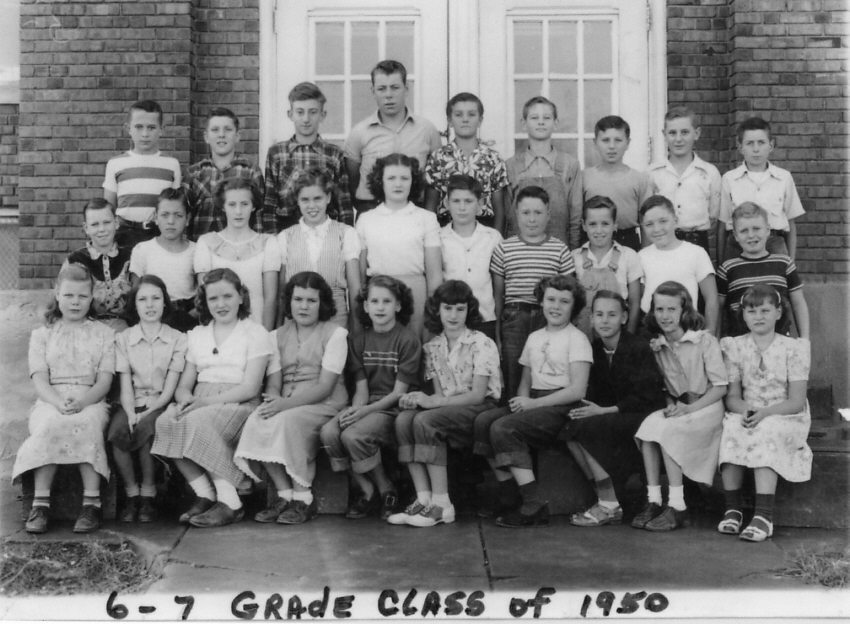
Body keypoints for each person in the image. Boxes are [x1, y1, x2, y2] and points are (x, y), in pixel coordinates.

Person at [151, 269, 273, 528]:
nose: (221, 304)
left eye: (227, 296)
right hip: (200, 400)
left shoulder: (255, 332)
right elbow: (185, 385)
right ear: (204, 302)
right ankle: (205, 494)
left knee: (199, 422)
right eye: (213, 298)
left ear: (241, 296)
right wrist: (185, 399)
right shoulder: (198, 334)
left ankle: (231, 503)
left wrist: (204, 403)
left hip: (239, 402)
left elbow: (250, 387)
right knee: (166, 422)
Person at [475, 275, 592, 528]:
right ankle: (510, 493)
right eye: (551, 299)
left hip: (563, 406)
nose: (556, 306)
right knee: (483, 422)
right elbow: (526, 380)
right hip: (535, 402)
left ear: (574, 306)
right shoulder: (535, 337)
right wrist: (523, 402)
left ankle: (534, 503)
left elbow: (577, 390)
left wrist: (533, 406)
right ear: (541, 302)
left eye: (564, 301)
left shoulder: (577, 338)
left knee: (504, 428)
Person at [235, 272, 349, 525]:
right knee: (257, 420)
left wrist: (283, 406)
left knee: (288, 422)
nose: (304, 306)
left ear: (322, 303)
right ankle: (284, 494)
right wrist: (274, 402)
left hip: (324, 403)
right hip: (286, 401)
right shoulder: (276, 335)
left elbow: (325, 387)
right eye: (298, 299)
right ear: (289, 302)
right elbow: (274, 382)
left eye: (311, 300)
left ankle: (304, 498)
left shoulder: (336, 334)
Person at [389, 280, 502, 527]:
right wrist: (419, 400)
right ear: (437, 310)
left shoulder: (481, 343)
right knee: (404, 420)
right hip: (450, 409)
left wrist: (434, 402)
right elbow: (440, 395)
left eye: (460, 309)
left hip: (480, 407)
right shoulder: (433, 347)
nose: (453, 315)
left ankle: (442, 505)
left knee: (425, 421)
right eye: (447, 308)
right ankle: (423, 499)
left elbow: (478, 395)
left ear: (469, 311)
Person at [15, 264, 115, 535]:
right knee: (49, 423)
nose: (75, 302)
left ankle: (91, 504)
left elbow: (104, 382)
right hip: (51, 399)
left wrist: (83, 403)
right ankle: (40, 504)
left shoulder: (104, 334)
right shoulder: (42, 335)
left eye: (82, 296)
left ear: (91, 297)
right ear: (57, 294)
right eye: (69, 295)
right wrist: (58, 403)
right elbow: (40, 380)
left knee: (88, 423)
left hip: (91, 399)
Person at [319, 276, 421, 521]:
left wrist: (362, 413)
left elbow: (398, 393)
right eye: (374, 301)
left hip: (394, 407)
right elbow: (362, 389)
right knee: (329, 432)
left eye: (387, 301)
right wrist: (355, 411)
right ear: (365, 306)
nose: (380, 307)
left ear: (398, 306)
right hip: (367, 403)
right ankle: (367, 488)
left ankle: (386, 489)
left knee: (353, 435)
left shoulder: (407, 340)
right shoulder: (359, 340)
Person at [716, 285, 812, 542]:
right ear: (743, 315)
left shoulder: (794, 348)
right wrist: (746, 410)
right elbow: (732, 397)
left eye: (765, 310)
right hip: (749, 410)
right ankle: (733, 509)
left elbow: (796, 401)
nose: (758, 316)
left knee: (768, 429)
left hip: (784, 414)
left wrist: (765, 413)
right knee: (732, 426)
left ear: (778, 313)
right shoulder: (734, 346)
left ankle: (764, 516)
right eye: (752, 311)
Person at [563, 290, 665, 526]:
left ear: (624, 318)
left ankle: (608, 504)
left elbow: (646, 397)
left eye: (612, 314)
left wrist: (604, 411)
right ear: (592, 318)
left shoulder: (638, 347)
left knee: (587, 427)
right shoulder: (594, 349)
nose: (605, 320)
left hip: (642, 416)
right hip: (612, 416)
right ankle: (608, 496)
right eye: (599, 314)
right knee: (569, 429)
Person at [633, 281, 727, 532]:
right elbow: (667, 389)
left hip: (707, 407)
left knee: (668, 432)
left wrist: (689, 409)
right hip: (680, 407)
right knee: (648, 428)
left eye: (671, 309)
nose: (665, 316)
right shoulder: (658, 345)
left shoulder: (704, 341)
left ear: (684, 311)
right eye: (659, 309)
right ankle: (654, 500)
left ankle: (677, 505)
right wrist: (671, 406)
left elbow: (720, 388)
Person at [108, 275, 187, 524]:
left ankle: (148, 495)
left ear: (165, 302)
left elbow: (169, 389)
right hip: (132, 401)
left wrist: (146, 413)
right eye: (143, 299)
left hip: (161, 403)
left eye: (156, 298)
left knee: (146, 431)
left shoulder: (178, 339)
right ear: (135, 304)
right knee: (117, 431)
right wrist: (131, 412)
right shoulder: (123, 339)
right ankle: (132, 493)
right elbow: (125, 385)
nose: (150, 305)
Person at [490, 185, 575, 399]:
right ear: (516, 214)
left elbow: (569, 296)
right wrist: (498, 335)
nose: (532, 219)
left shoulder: (560, 249)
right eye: (526, 212)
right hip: (514, 318)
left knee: (544, 370)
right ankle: (511, 414)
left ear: (548, 215)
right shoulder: (504, 249)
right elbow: (498, 297)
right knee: (513, 373)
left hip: (548, 319)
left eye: (538, 212)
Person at [356, 153, 443, 338]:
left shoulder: (426, 218)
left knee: (415, 347)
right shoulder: (366, 219)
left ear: (413, 181)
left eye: (404, 178)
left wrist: (431, 317)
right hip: (379, 294)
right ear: (380, 181)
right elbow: (360, 275)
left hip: (416, 294)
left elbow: (435, 275)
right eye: (391, 178)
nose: (398, 184)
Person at [344, 60, 442, 215]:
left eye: (395, 87)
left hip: (414, 210)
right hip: (371, 209)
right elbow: (352, 178)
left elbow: (435, 178)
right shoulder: (359, 132)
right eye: (381, 89)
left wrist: (429, 213)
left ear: (406, 89)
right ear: (373, 91)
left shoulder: (427, 130)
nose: (388, 95)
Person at [277, 169, 361, 329]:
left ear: (328, 198)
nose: (312, 206)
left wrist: (356, 330)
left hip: (335, 319)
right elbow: (282, 291)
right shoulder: (285, 237)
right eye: (305, 200)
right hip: (296, 321)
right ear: (297, 201)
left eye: (318, 198)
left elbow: (354, 287)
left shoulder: (346, 233)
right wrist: (279, 327)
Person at [264, 82, 353, 231]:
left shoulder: (334, 154)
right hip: (286, 229)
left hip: (325, 230)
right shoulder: (277, 153)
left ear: (322, 115)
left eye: (313, 112)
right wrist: (271, 238)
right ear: (290, 114)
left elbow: (344, 203)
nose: (306, 119)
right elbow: (269, 203)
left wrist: (347, 236)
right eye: (300, 112)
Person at [194, 177, 281, 330]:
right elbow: (205, 299)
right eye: (232, 204)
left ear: (253, 206)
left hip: (255, 330)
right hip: (219, 332)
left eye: (245, 204)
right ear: (223, 206)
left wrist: (266, 336)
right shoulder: (206, 243)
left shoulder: (268, 243)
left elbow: (270, 299)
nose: (238, 211)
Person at [717, 116, 805, 262]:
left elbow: (791, 224)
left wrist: (791, 263)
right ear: (740, 147)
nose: (756, 149)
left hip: (775, 245)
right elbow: (722, 225)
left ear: (771, 145)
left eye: (761, 142)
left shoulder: (784, 178)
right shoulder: (729, 179)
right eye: (749, 143)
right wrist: (721, 265)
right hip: (738, 247)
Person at [716, 202, 810, 338]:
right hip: (740, 344)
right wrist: (716, 341)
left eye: (756, 228)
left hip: (778, 342)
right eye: (744, 231)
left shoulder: (784, 263)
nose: (751, 235)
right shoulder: (727, 268)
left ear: (768, 230)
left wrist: (804, 340)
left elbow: (798, 303)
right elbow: (718, 309)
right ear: (735, 235)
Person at [424, 92, 509, 232]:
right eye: (458, 115)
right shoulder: (438, 158)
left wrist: (497, 238)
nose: (465, 119)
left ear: (480, 120)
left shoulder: (493, 158)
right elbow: (430, 207)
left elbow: (499, 208)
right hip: (447, 229)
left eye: (471, 114)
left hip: (484, 229)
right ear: (450, 120)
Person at [103, 99, 181, 249]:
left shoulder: (171, 164)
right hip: (124, 235)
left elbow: (175, 206)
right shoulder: (115, 163)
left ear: (162, 129)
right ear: (128, 128)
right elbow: (108, 209)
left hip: (158, 235)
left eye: (151, 127)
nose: (145, 134)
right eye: (139, 127)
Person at [504, 96, 581, 247]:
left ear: (555, 123)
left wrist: (573, 251)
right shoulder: (510, 165)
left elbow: (575, 216)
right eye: (534, 118)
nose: (541, 122)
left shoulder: (570, 164)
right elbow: (507, 217)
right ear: (524, 123)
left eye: (547, 117)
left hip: (559, 251)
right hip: (519, 252)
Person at [638, 195, 719, 335]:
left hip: (686, 327)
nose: (657, 229)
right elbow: (641, 296)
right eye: (649, 224)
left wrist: (709, 336)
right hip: (652, 330)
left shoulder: (696, 252)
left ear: (675, 220)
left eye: (663, 221)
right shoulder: (641, 256)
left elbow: (711, 299)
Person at [438, 175, 503, 341]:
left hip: (485, 319)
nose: (462, 207)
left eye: (468, 201)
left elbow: (499, 284)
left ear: (480, 204)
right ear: (446, 203)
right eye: (456, 201)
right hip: (451, 320)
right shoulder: (438, 238)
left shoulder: (492, 237)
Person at [648, 106, 721, 255]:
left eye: (685, 132)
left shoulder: (709, 172)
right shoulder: (653, 173)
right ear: (664, 135)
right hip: (662, 243)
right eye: (672, 133)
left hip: (697, 242)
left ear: (697, 133)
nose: (678, 139)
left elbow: (713, 216)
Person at [184, 107, 266, 239]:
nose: (221, 134)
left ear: (237, 136)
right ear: (206, 137)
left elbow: (259, 215)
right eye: (215, 130)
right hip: (201, 246)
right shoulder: (194, 173)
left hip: (241, 247)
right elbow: (184, 217)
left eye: (228, 129)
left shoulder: (251, 171)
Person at [571, 196, 642, 336]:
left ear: (615, 225)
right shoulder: (574, 257)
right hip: (582, 336)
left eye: (605, 224)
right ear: (584, 225)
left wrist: (629, 338)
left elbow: (635, 303)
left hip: (618, 337)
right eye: (592, 224)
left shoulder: (628, 256)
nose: (599, 230)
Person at [582, 115, 655, 251]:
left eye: (618, 140)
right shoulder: (584, 177)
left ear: (627, 143)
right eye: (605, 140)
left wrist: (645, 254)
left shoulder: (639, 179)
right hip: (593, 240)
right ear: (595, 142)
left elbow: (646, 221)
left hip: (627, 241)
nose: (611, 146)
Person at [129, 187, 197, 332]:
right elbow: (136, 294)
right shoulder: (142, 250)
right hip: (153, 317)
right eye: (165, 215)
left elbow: (204, 292)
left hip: (188, 317)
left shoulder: (196, 250)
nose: (171, 221)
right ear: (155, 217)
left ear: (187, 219)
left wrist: (190, 316)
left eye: (178, 215)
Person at [63, 198, 132, 332]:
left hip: (125, 330)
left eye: (107, 222)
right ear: (86, 228)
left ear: (116, 223)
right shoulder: (75, 260)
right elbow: (64, 301)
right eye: (94, 224)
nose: (101, 229)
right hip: (85, 329)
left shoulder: (131, 258)